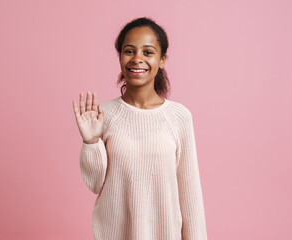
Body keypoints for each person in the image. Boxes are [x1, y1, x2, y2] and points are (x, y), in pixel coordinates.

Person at [72, 17, 208, 240]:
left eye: (148, 52)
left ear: (162, 60)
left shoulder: (178, 117)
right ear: (120, 57)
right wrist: (91, 142)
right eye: (129, 51)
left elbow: (190, 194)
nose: (137, 59)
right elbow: (95, 184)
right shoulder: (102, 116)